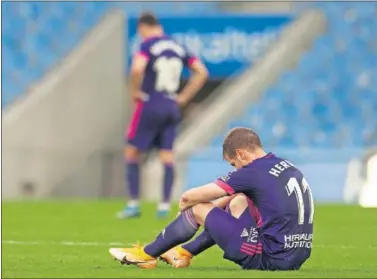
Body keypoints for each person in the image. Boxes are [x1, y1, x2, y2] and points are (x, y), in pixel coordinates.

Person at [110, 127, 314, 271]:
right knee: (237, 200)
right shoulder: (285, 165)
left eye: (233, 163)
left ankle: (145, 255)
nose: (235, 169)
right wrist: (215, 215)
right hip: (296, 254)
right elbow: (234, 198)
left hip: (270, 257)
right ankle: (183, 253)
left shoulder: (251, 172)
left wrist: (187, 210)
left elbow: (190, 196)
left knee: (198, 208)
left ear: (241, 154)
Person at [117, 12, 208, 219]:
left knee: (132, 153)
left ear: (143, 28)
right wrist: (183, 97)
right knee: (167, 156)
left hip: (150, 103)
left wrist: (134, 91)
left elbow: (137, 68)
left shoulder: (148, 45)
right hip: (171, 105)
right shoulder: (178, 46)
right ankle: (165, 205)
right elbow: (202, 72)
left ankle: (133, 204)